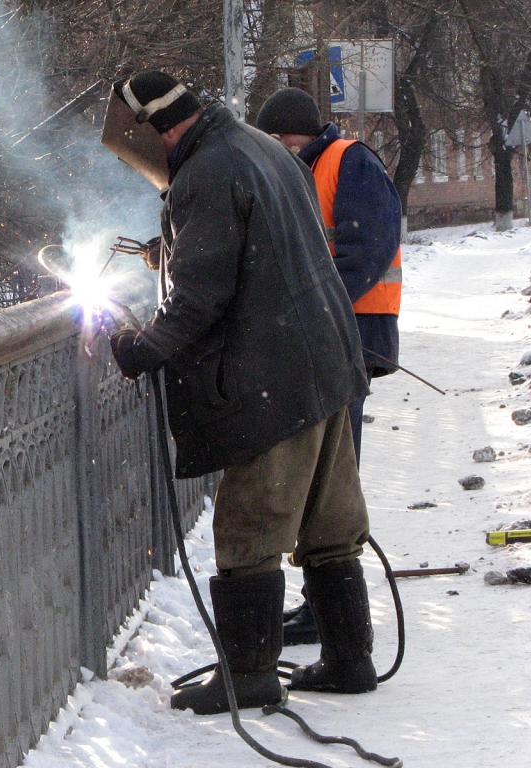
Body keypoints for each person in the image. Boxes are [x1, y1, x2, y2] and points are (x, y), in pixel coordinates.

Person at [106, 71, 378, 715]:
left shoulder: (205, 171)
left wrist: (140, 348)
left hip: (274, 380)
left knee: (251, 522)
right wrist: (169, 251)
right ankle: (349, 659)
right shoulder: (258, 144)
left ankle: (249, 675)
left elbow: (200, 297)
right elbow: (253, 245)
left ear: (149, 130)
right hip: (327, 362)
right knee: (327, 522)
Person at [256, 87, 401, 646]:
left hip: (352, 334)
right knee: (321, 473)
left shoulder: (349, 162)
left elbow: (366, 253)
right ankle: (319, 604)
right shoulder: (304, 170)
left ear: (290, 137)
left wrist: (309, 308)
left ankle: (329, 612)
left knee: (333, 476)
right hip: (329, 334)